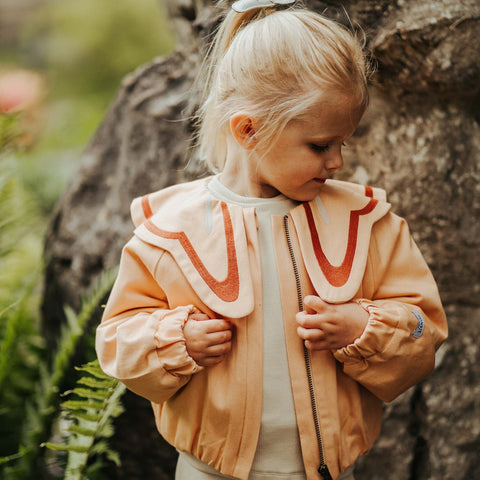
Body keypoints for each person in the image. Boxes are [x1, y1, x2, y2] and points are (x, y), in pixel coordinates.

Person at [95, 1, 448, 479]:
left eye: (344, 142)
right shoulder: (169, 232)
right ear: (249, 129)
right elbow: (117, 340)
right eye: (321, 145)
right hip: (207, 472)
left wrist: (361, 327)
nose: (338, 162)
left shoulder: (369, 223)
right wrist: (177, 340)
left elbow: (424, 329)